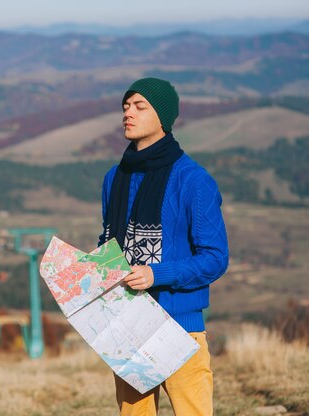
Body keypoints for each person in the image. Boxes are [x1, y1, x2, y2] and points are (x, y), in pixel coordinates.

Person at [98, 77, 229, 415]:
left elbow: (215, 258)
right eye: (126, 106)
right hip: (128, 326)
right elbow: (111, 242)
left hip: (180, 327)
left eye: (140, 106)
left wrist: (157, 274)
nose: (128, 113)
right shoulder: (114, 177)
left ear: (164, 118)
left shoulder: (193, 180)